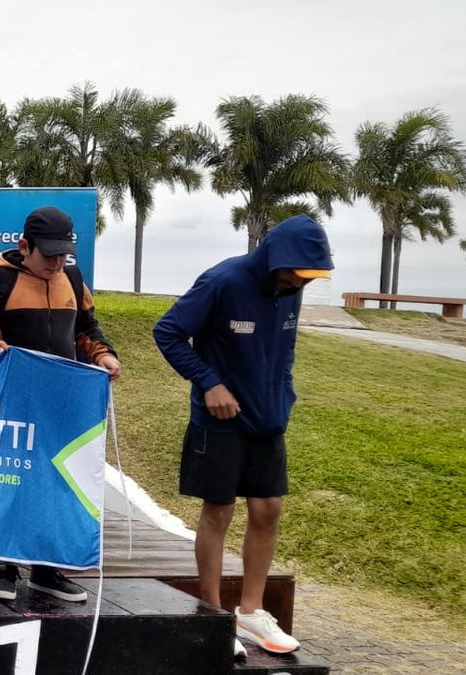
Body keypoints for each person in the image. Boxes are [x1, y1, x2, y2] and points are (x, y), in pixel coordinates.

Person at [152, 214, 332, 658]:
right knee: (219, 512)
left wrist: (283, 393)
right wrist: (209, 383)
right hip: (221, 421)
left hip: (267, 419)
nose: (301, 283)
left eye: (310, 277)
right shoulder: (224, 281)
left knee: (268, 509)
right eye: (298, 273)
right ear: (276, 259)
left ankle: (250, 610)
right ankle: (212, 615)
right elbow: (168, 332)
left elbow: (284, 349)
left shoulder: (291, 291)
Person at [0, 205, 123, 603]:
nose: (55, 262)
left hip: (61, 404)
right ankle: (5, 567)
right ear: (23, 246)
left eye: (62, 254)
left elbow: (86, 328)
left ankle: (47, 571)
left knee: (56, 484)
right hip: (13, 402)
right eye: (47, 254)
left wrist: (103, 354)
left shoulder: (73, 278)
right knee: (13, 481)